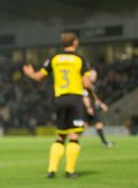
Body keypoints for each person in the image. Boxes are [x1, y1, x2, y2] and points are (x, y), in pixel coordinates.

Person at [23, 31, 97, 179]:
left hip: (59, 100)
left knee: (60, 136)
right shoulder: (80, 59)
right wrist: (94, 96)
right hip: (75, 99)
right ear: (75, 42)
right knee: (74, 135)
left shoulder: (54, 58)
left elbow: (39, 77)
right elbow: (86, 82)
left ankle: (52, 170)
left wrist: (30, 74)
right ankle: (70, 171)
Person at [82, 69, 114, 148]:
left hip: (90, 107)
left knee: (86, 125)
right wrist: (88, 107)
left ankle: (73, 142)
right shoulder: (86, 85)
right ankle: (105, 143)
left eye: (95, 75)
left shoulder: (91, 85)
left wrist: (101, 105)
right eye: (93, 75)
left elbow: (94, 98)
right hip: (88, 107)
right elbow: (85, 97)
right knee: (97, 124)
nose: (95, 77)